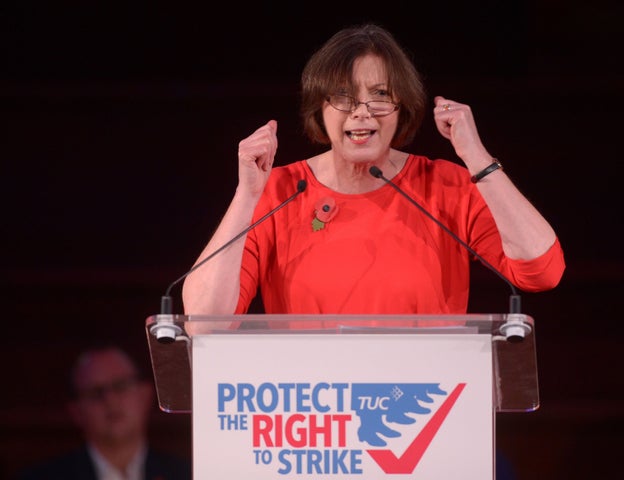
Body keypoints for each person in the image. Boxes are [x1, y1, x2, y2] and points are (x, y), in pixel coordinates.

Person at [181, 23, 564, 317]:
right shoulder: (281, 191)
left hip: (426, 409)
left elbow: (541, 271)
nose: (361, 111)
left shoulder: (446, 186)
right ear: (320, 108)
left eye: (380, 95)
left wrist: (477, 157)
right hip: (313, 413)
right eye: (344, 96)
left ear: (403, 107)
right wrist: (246, 194)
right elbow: (204, 318)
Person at [15, 345, 191, 480]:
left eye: (121, 386)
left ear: (145, 395)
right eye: (95, 392)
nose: (110, 401)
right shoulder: (41, 478)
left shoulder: (187, 474)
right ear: (76, 411)